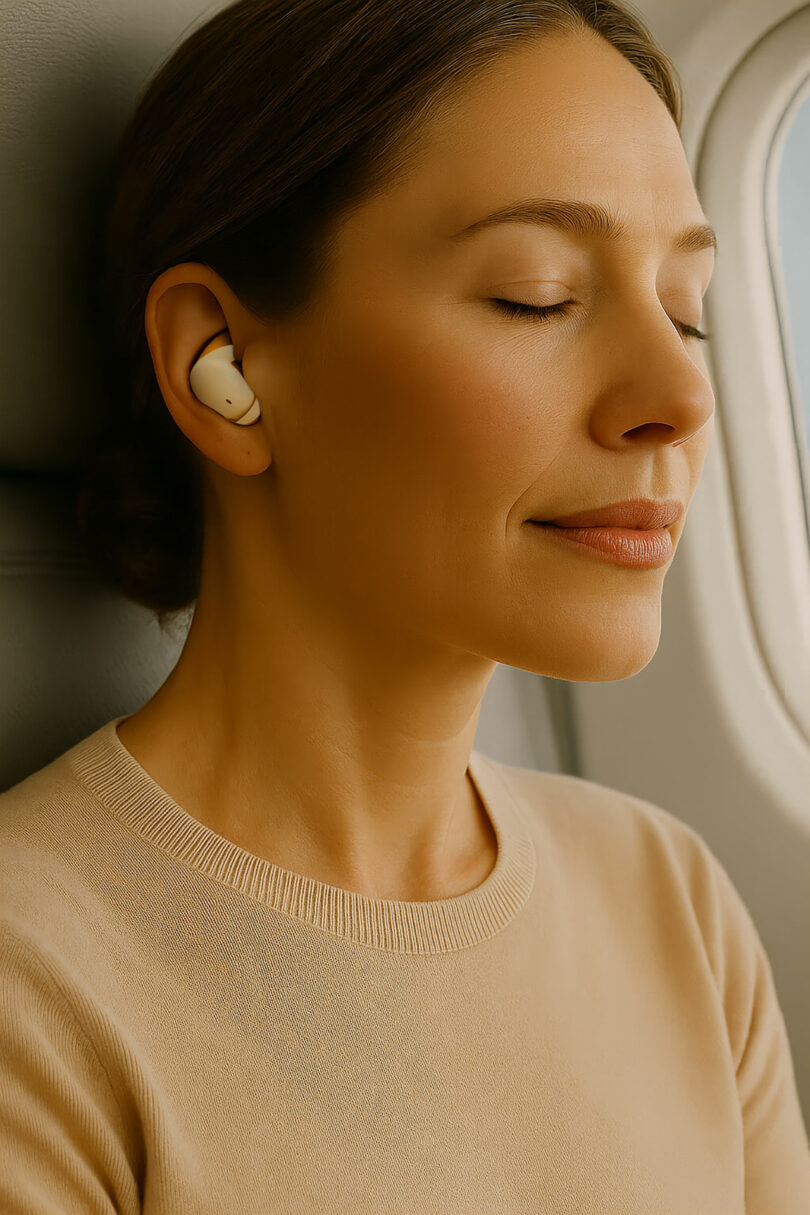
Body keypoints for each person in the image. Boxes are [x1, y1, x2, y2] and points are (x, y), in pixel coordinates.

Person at [2, 0, 809, 1211]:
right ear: (224, 367)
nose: (680, 395)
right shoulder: (33, 982)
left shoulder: (673, 901)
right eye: (536, 296)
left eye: (689, 310)